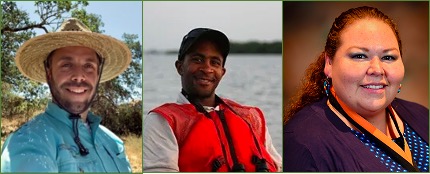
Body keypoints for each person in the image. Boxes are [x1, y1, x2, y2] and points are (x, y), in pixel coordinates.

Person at [283, 6, 429, 172]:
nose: (377, 69)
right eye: (359, 56)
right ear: (329, 63)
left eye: (388, 57)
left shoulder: (422, 116)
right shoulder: (302, 143)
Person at [1, 18, 132, 172]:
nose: (78, 75)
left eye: (88, 66)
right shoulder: (30, 141)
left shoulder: (112, 141)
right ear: (49, 73)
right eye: (66, 65)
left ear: (98, 74)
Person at [143, 28, 282, 172]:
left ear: (222, 72)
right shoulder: (162, 121)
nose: (207, 68)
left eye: (215, 62)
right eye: (197, 59)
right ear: (180, 67)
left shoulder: (250, 117)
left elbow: (279, 165)